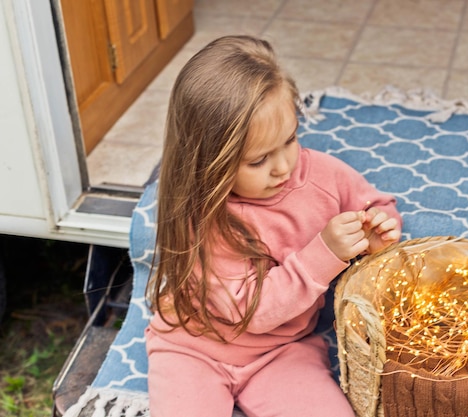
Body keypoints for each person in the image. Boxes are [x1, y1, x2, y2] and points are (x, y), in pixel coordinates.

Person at [145, 35, 402, 417]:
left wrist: (378, 234)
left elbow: (375, 204)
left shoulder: (322, 177)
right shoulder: (203, 216)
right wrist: (325, 253)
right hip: (193, 349)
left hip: (284, 351)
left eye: (290, 139)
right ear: (209, 162)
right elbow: (253, 310)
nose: (283, 166)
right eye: (259, 159)